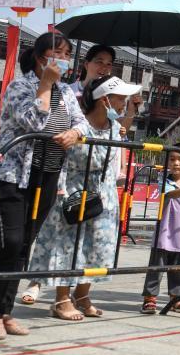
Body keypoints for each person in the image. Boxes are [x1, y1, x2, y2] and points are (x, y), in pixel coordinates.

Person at [0, 32, 87, 340]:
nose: (63, 59)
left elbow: (81, 121)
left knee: (26, 243)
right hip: (16, 175)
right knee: (10, 242)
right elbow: (34, 122)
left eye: (67, 54)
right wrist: (44, 86)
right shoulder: (20, 86)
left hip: (49, 175)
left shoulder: (67, 92)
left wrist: (75, 134)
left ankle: (6, 311)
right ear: (42, 57)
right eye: (58, 53)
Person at [27, 76, 135, 321]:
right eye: (120, 99)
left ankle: (83, 295)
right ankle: (61, 299)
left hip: (104, 192)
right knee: (67, 245)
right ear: (104, 99)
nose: (123, 103)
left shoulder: (115, 128)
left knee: (100, 245)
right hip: (74, 189)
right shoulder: (79, 126)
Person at [142, 143, 180, 314]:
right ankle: (150, 299)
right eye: (172, 159)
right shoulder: (164, 180)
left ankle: (176, 298)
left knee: (178, 270)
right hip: (164, 234)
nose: (176, 163)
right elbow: (171, 195)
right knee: (156, 269)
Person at [70, 44, 140, 137]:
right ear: (86, 64)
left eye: (109, 64)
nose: (104, 67)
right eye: (99, 62)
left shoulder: (113, 97)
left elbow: (119, 134)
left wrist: (131, 111)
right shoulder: (68, 91)